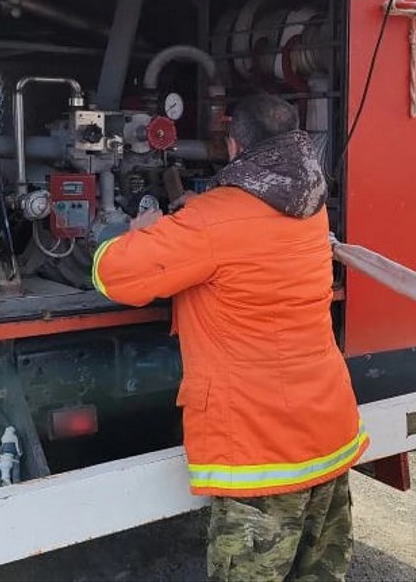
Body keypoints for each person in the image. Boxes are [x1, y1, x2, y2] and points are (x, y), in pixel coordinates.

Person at [92, 93, 367, 582]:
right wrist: (202, 210)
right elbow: (249, 225)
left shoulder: (211, 222)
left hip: (262, 447)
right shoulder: (310, 204)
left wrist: (135, 232)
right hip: (327, 426)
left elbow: (117, 277)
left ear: (235, 144)